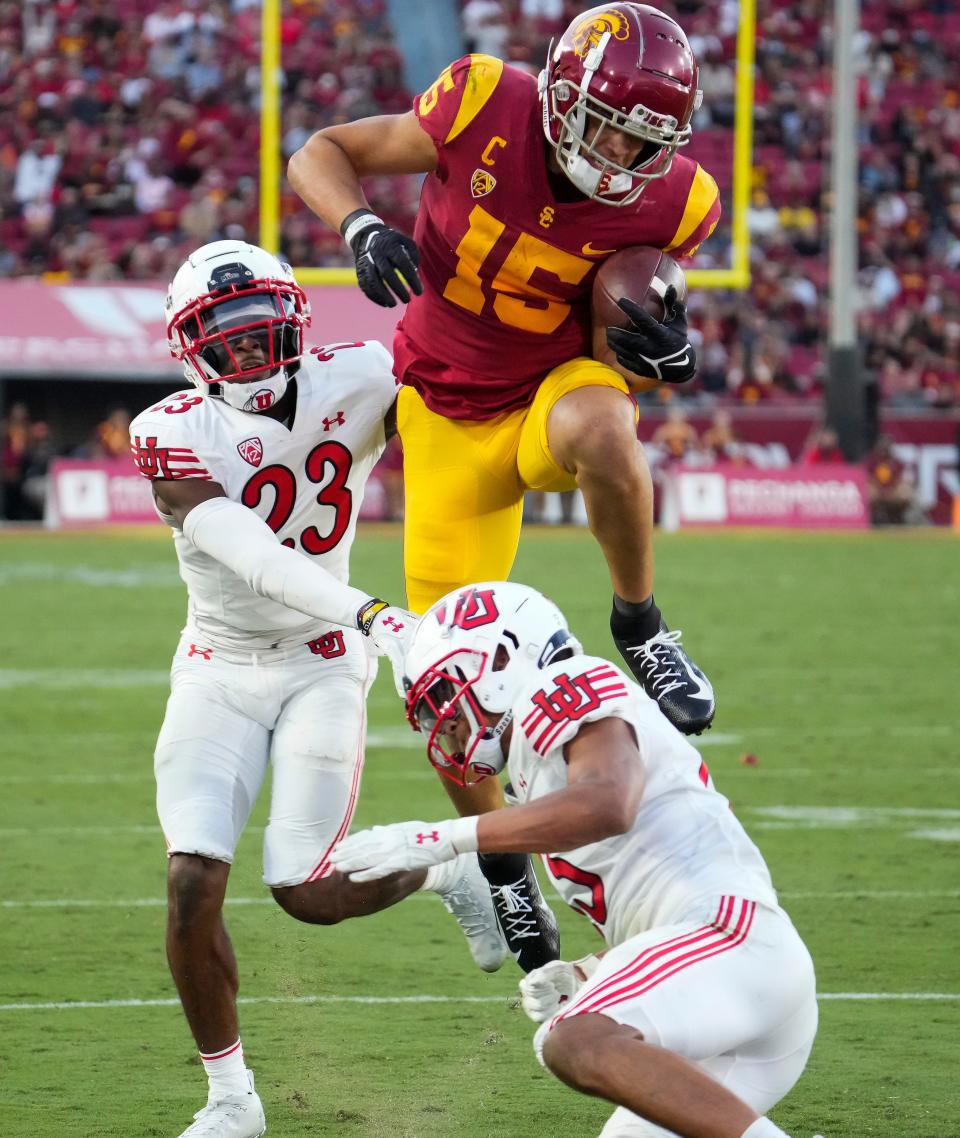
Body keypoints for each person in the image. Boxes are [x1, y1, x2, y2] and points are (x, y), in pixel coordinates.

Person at [288, 2, 721, 963]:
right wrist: (359, 223)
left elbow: (620, 344)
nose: (616, 154)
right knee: (444, 678)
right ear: (562, 94)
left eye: (641, 140)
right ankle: (498, 869)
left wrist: (664, 355)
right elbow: (319, 149)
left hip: (543, 402)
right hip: (445, 417)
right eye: (604, 123)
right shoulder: (485, 97)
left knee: (608, 424)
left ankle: (641, 625)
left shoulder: (680, 201)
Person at [129, 240, 508, 1138]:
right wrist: (384, 614)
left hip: (323, 662)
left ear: (297, 324)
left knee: (305, 889)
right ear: (192, 351)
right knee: (190, 883)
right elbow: (257, 561)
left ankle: (447, 868)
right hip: (219, 665)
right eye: (229, 342)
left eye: (263, 334)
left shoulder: (368, 375)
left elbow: (468, 412)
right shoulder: (170, 431)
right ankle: (232, 1100)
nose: (251, 356)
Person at [331, 581, 821, 1138]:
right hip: (730, 974)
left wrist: (444, 839)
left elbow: (609, 802)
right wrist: (594, 970)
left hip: (733, 940)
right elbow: (643, 890)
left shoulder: (561, 683)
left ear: (500, 660)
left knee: (576, 1039)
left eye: (445, 694)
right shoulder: (534, 764)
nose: (442, 721)